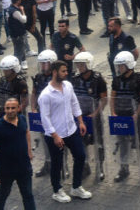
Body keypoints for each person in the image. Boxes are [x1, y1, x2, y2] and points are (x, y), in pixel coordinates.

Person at [38, 60, 92, 203]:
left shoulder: (68, 86)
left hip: (71, 130)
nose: (66, 73)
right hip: (55, 135)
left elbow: (74, 103)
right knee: (57, 163)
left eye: (67, 70)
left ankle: (76, 187)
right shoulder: (45, 95)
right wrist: (55, 136)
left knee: (80, 156)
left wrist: (80, 121)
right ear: (55, 72)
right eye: (63, 71)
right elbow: (45, 118)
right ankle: (57, 190)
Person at [0, 98, 36, 210]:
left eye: (13, 108)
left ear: (18, 108)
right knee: (3, 194)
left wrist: (29, 150)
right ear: (4, 109)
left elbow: (27, 132)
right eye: (7, 108)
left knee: (28, 195)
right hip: (6, 169)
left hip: (24, 167)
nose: (10, 111)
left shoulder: (22, 119)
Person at [110, 52, 140, 183]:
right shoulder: (117, 80)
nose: (119, 68)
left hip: (134, 118)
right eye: (118, 66)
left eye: (121, 66)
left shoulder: (138, 80)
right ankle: (123, 169)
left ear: (129, 65)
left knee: (139, 144)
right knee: (122, 143)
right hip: (121, 116)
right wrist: (113, 113)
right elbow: (112, 97)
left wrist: (136, 113)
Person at [71, 52, 107, 181]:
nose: (79, 67)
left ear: (89, 64)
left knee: (98, 143)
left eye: (82, 64)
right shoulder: (74, 79)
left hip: (94, 118)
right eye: (78, 64)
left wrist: (95, 114)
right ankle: (85, 166)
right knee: (81, 143)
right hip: (80, 118)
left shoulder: (98, 79)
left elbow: (104, 100)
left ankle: (100, 167)